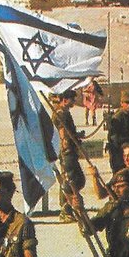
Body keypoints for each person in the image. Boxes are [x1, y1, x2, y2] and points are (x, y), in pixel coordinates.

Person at [52, 89, 86, 223]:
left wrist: (77, 135)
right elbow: (63, 133)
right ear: (65, 100)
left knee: (74, 179)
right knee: (70, 180)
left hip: (69, 150)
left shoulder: (63, 112)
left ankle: (69, 207)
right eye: (72, 99)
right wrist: (66, 149)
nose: (74, 101)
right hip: (67, 151)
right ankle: (65, 210)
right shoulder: (61, 113)